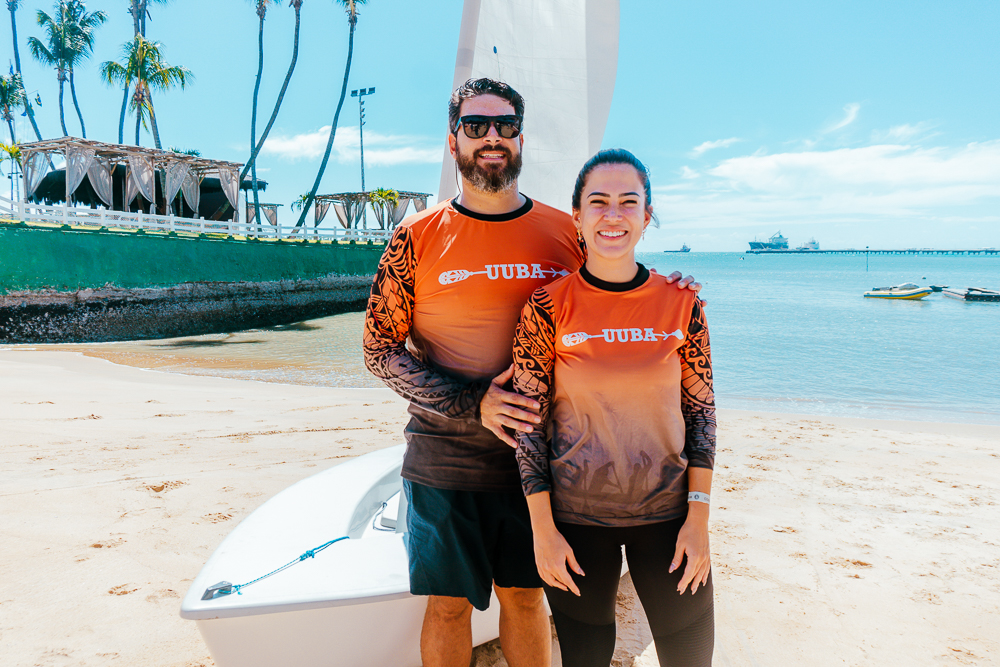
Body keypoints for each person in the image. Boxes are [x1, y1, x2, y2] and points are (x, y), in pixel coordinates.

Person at [364, 79, 700, 667]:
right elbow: (379, 349)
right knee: (447, 606)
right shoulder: (413, 240)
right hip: (444, 458)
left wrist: (673, 288)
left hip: (544, 463)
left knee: (525, 600)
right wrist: (476, 403)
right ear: (453, 142)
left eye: (506, 125)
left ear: (521, 138)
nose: (491, 137)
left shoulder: (564, 232)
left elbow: (615, 276)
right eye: (476, 125)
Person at [512, 148, 716, 667]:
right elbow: (529, 428)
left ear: (647, 217)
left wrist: (699, 520)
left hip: (669, 518)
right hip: (576, 522)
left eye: (630, 202)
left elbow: (701, 415)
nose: (613, 214)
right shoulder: (546, 308)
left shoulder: (682, 303)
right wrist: (543, 531)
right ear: (576, 215)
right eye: (598, 201)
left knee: (690, 658)